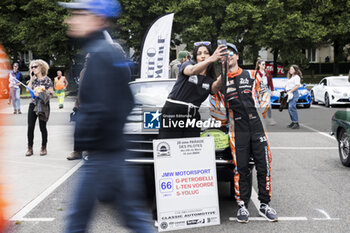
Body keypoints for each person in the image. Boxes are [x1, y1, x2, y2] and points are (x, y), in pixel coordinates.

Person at [58, 1, 154, 232]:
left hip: (104, 155)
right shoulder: (104, 52)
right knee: (132, 219)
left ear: (97, 19)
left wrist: (84, 130)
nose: (70, 19)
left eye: (79, 14)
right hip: (110, 153)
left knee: (76, 221)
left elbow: (108, 107)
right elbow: (126, 101)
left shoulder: (101, 54)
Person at [210, 42, 277, 223]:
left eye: (232, 53)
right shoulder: (220, 82)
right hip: (236, 129)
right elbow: (215, 109)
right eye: (225, 54)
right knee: (241, 169)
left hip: (257, 127)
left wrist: (260, 110)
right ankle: (242, 206)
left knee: (264, 166)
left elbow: (264, 95)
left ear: (238, 56)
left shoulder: (252, 74)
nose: (229, 56)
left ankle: (265, 204)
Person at [158, 41, 226, 139]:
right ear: (195, 57)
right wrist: (211, 59)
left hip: (193, 114)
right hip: (174, 111)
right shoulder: (187, 64)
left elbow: (214, 89)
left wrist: (225, 70)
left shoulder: (209, 78)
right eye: (199, 53)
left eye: (206, 53)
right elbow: (192, 70)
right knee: (171, 148)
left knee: (190, 148)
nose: (203, 56)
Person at [26, 59, 54, 156]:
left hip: (42, 105)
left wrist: (42, 92)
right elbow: (27, 89)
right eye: (32, 67)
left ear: (41, 67)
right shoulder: (33, 80)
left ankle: (43, 147)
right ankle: (30, 148)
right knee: (30, 127)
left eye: (35, 66)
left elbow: (51, 92)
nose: (33, 68)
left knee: (43, 127)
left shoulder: (47, 80)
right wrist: (31, 79)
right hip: (33, 105)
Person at [255, 59, 276, 125]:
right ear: (259, 65)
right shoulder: (256, 72)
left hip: (266, 89)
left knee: (268, 104)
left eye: (265, 64)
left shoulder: (267, 72)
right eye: (263, 64)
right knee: (260, 104)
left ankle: (270, 118)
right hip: (259, 90)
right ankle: (261, 119)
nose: (264, 65)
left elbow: (270, 82)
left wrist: (272, 90)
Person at [285, 65, 302, 129]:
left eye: (292, 69)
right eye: (290, 69)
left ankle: (296, 122)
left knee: (292, 107)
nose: (290, 70)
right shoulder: (291, 77)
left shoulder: (296, 77)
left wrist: (290, 91)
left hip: (293, 93)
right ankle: (293, 121)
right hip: (289, 93)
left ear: (295, 70)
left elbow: (297, 86)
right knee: (290, 108)